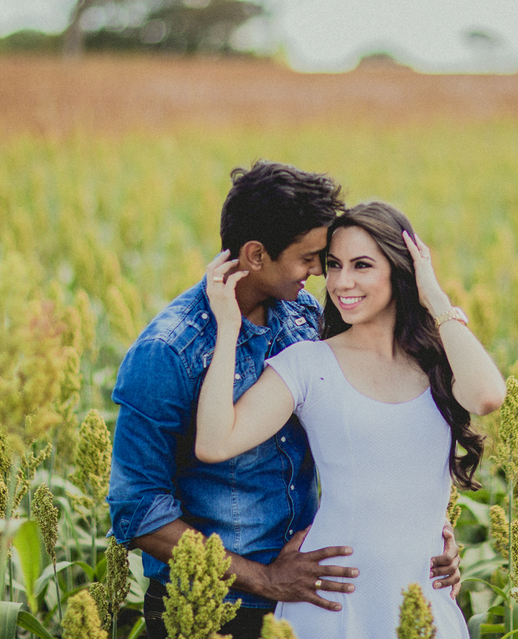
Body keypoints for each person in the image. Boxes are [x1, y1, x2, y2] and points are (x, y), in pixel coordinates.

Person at [107, 162, 460, 639]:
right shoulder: (167, 352)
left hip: (309, 597)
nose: (321, 273)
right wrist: (266, 579)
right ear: (256, 254)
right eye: (311, 258)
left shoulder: (303, 316)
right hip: (210, 608)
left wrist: (421, 536)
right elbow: (138, 512)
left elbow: (366, 433)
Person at [197, 201, 507, 639]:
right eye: (334, 265)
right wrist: (227, 325)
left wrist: (434, 296)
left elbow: (488, 396)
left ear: (400, 270)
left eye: (362, 265)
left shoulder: (438, 359)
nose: (343, 282)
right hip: (335, 602)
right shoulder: (309, 364)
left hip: (426, 598)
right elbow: (214, 441)